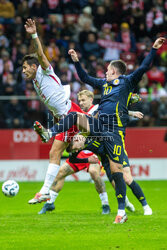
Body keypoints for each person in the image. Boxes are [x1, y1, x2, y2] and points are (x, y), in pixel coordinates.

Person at [34, 37, 165, 223]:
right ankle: (50, 133)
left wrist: (153, 49)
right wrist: (76, 61)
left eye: (108, 70)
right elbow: (85, 78)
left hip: (115, 132)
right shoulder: (104, 85)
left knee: (116, 171)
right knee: (74, 116)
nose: (105, 72)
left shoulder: (127, 82)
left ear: (114, 71)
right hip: (100, 127)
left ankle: (121, 211)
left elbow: (143, 68)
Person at [22, 19, 83, 204]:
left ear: (34, 67)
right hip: (65, 116)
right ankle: (46, 191)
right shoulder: (35, 82)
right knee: (57, 153)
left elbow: (40, 53)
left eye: (25, 67)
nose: (23, 71)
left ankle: (44, 191)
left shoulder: (44, 71)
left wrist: (33, 34)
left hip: (71, 113)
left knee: (57, 151)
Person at [66, 133, 152, 216]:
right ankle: (126, 203)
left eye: (75, 148)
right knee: (116, 184)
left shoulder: (91, 132)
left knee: (127, 178)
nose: (77, 151)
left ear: (77, 140)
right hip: (106, 160)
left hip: (117, 152)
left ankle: (146, 207)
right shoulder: (80, 145)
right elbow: (72, 160)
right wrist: (87, 160)